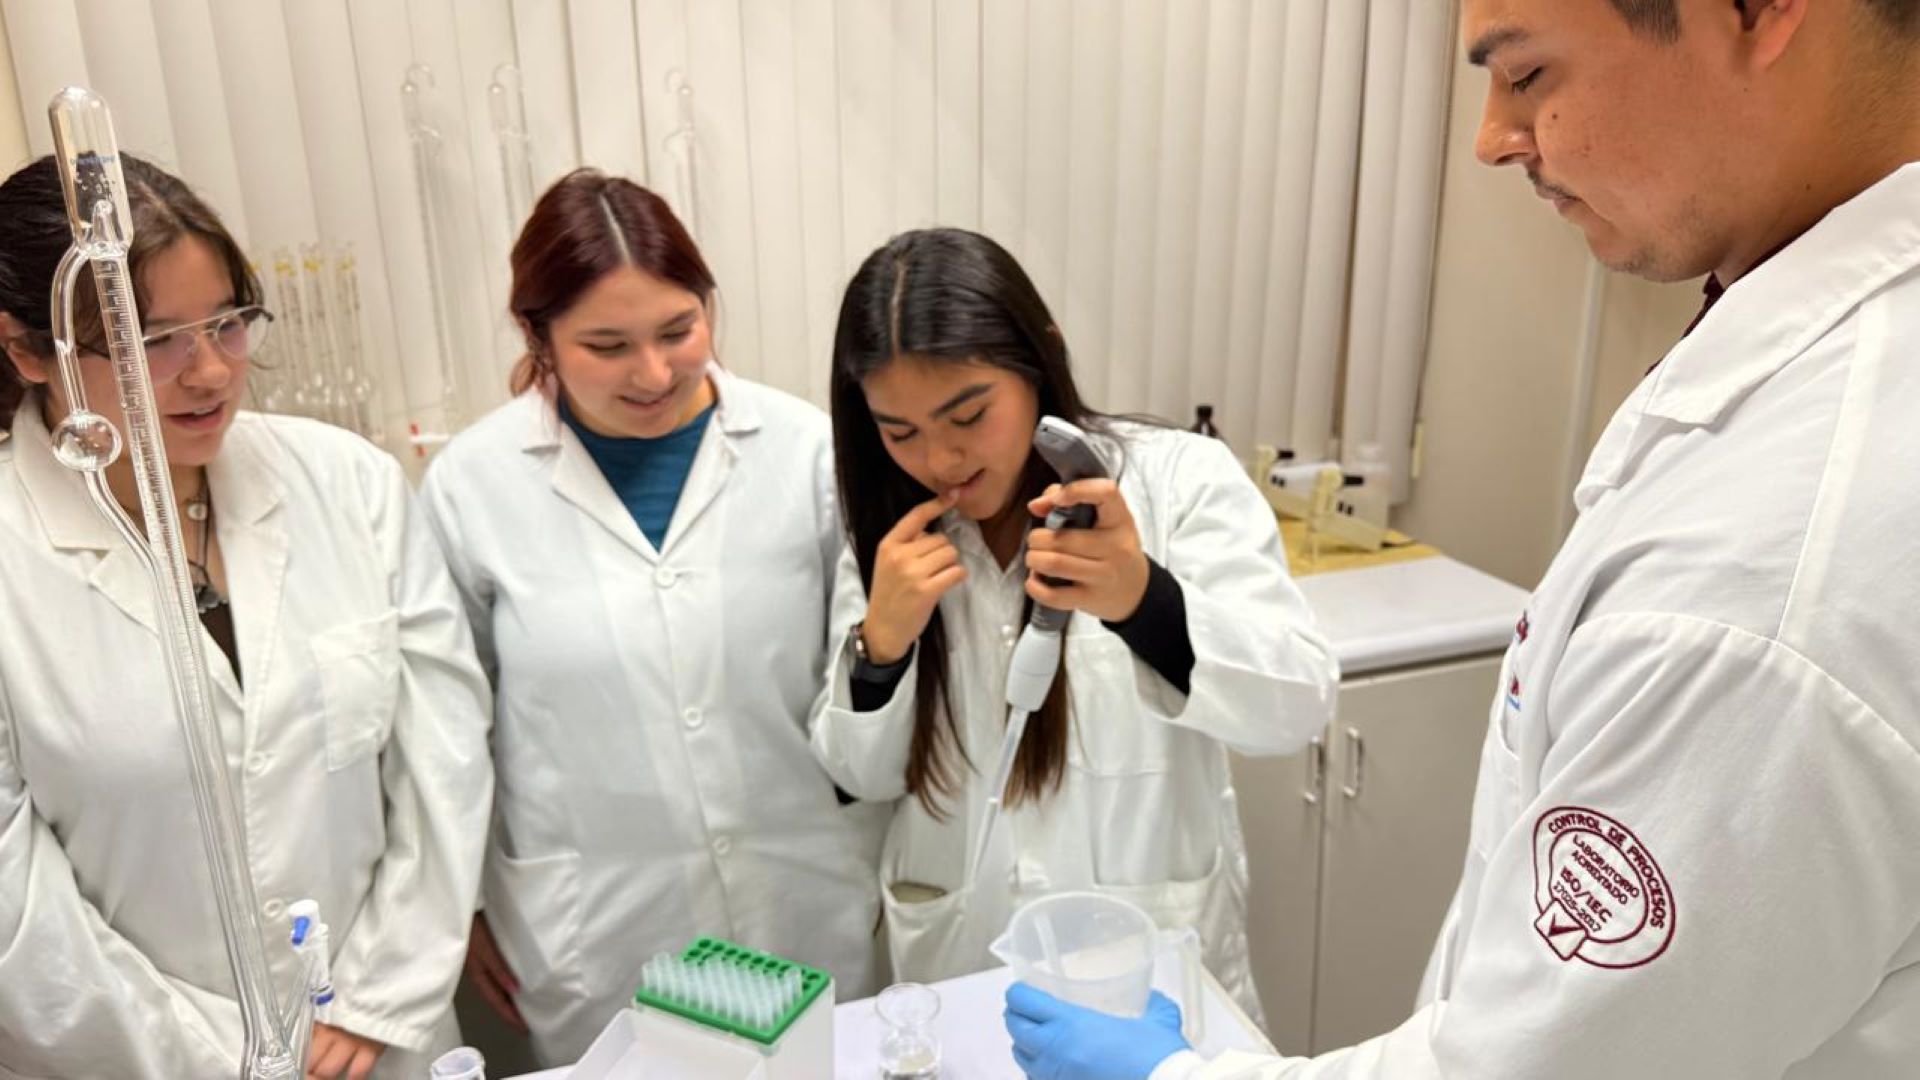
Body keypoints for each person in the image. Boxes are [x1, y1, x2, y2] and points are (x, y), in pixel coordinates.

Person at [1003, 0, 1920, 1076]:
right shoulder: (1794, 373)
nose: (1488, 138)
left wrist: (1173, 1077)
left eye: (1525, 74)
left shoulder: (1766, 578)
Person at [0, 155, 493, 1080]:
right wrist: (234, 1059)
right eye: (155, 341)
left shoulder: (349, 485)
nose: (214, 369)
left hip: (378, 1043)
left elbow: (445, 760)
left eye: (225, 321)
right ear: (31, 352)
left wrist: (381, 996)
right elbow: (17, 915)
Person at [808, 227, 1338, 1019]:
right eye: (900, 432)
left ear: (1037, 362)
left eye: (969, 414)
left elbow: (1294, 706)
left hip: (1149, 979)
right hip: (964, 967)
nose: (942, 459)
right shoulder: (894, 537)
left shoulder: (1176, 481)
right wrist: (879, 648)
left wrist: (1141, 599)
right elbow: (864, 776)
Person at [420, 170, 888, 1065]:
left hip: (802, 894)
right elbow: (446, 727)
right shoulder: (472, 486)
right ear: (538, 336)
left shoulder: (806, 456)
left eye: (679, 330)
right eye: (607, 344)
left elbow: (863, 685)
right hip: (598, 926)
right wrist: (465, 900)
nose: (655, 371)